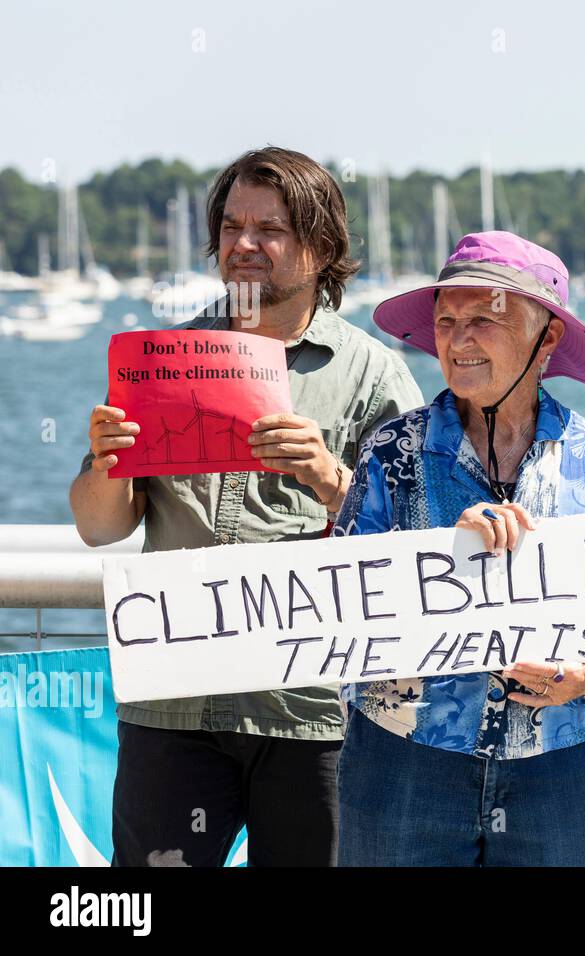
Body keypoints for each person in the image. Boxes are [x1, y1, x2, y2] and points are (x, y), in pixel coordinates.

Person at [69, 146, 425, 866]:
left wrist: (332, 477)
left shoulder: (374, 373)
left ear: (321, 247)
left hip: (311, 712)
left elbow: (422, 537)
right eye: (232, 227)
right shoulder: (162, 357)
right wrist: (109, 460)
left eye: (270, 229)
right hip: (173, 700)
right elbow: (98, 525)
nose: (244, 245)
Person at [332, 231, 585, 866]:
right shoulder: (390, 455)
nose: (458, 340)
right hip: (403, 767)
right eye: (447, 321)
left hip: (567, 772)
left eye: (484, 318)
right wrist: (443, 554)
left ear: (549, 337)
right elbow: (335, 610)